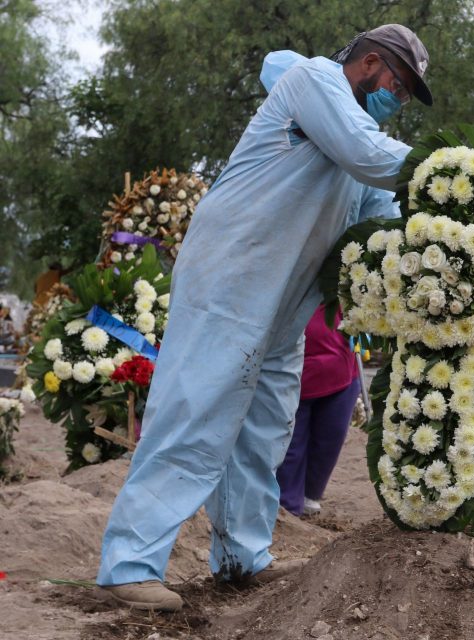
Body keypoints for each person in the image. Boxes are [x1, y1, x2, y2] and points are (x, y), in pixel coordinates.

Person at [97, 24, 432, 612]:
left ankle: (241, 560)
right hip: (229, 284)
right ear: (372, 62)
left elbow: (383, 209)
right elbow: (370, 156)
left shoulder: (357, 132)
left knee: (263, 434)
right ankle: (130, 565)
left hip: (282, 305)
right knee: (192, 412)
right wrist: (453, 169)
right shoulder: (316, 83)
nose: (395, 104)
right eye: (398, 90)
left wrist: (440, 227)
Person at [276, 304, 360, 516]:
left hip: (341, 369)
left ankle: (309, 495)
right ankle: (288, 505)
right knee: (291, 446)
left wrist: (363, 332)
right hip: (294, 374)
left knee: (329, 438)